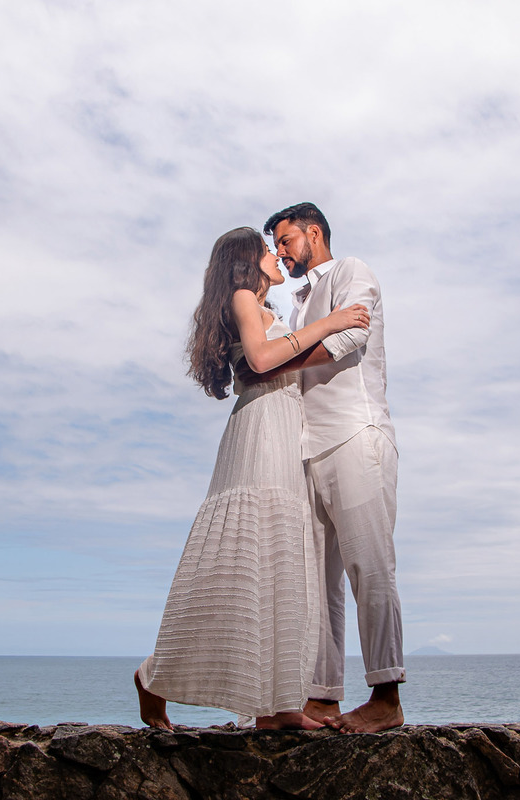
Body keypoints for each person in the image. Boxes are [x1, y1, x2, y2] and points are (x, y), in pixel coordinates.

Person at [134, 226, 371, 731]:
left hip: (280, 426)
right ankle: (153, 677)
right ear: (245, 260)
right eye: (267, 249)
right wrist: (331, 323)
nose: (275, 255)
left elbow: (268, 359)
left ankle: (278, 707)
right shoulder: (244, 296)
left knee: (277, 560)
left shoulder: (261, 306)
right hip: (261, 429)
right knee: (245, 559)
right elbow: (262, 359)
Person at [259, 202, 405, 733]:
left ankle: (386, 697)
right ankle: (322, 697)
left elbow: (346, 339)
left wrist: (271, 362)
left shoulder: (352, 271)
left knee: (369, 563)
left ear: (313, 233)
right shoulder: (296, 306)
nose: (280, 252)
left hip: (356, 434)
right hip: (308, 448)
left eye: (285, 240)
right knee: (317, 582)